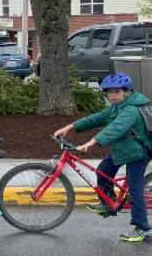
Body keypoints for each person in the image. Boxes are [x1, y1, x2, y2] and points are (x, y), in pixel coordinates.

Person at [54, 73, 152, 241]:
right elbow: (97, 118)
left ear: (127, 91)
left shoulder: (130, 110)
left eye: (116, 91)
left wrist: (92, 142)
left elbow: (115, 128)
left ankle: (143, 229)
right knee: (103, 171)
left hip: (138, 152)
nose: (112, 95)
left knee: (135, 190)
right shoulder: (119, 105)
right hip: (123, 148)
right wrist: (70, 127)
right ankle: (108, 203)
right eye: (109, 92)